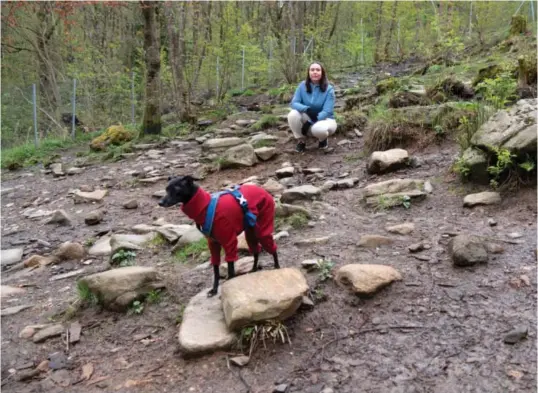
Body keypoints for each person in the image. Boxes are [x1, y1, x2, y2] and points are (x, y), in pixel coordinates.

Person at [287, 62, 338, 153]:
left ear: (322, 73)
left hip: (326, 119)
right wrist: (307, 109)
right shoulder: (302, 86)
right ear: (309, 72)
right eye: (312, 70)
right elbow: (294, 103)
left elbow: (327, 111)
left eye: (318, 70)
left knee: (318, 129)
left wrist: (312, 120)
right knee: (292, 114)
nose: (315, 72)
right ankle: (301, 141)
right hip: (307, 115)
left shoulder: (329, 89)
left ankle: (322, 140)